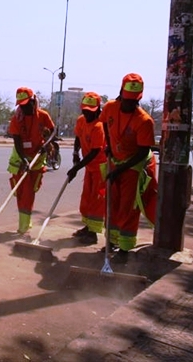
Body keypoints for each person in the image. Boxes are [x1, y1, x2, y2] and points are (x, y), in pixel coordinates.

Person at [99, 73, 158, 263]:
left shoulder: (144, 121)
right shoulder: (109, 108)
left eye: (133, 101)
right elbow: (106, 129)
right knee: (112, 203)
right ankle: (111, 241)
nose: (129, 104)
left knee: (128, 206)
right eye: (126, 100)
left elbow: (143, 151)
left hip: (135, 164)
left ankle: (124, 248)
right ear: (120, 93)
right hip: (115, 160)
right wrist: (108, 147)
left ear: (139, 98)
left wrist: (120, 169)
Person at [7, 87, 55, 234]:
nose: (24, 107)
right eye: (21, 104)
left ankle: (24, 226)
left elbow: (53, 130)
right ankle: (24, 226)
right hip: (21, 159)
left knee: (29, 192)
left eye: (27, 104)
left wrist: (46, 145)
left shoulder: (42, 116)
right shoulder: (17, 119)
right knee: (22, 192)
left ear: (33, 101)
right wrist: (24, 160)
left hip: (37, 158)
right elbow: (17, 141)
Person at [66, 92, 107, 245]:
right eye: (84, 110)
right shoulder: (81, 121)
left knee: (97, 200)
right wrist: (75, 153)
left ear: (98, 110)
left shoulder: (99, 126)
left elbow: (95, 152)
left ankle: (93, 234)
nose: (87, 113)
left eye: (90, 111)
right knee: (87, 198)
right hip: (89, 167)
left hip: (100, 167)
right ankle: (88, 227)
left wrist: (77, 167)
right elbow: (78, 137)